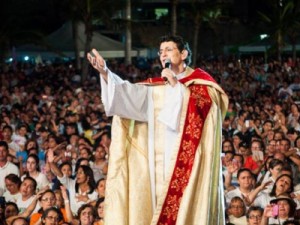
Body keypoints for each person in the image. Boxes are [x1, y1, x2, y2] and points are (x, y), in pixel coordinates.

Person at [87, 34, 228, 224]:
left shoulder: (202, 84)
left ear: (184, 53)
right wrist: (105, 73)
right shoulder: (156, 85)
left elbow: (206, 112)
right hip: (156, 165)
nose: (163, 55)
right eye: (161, 51)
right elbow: (128, 96)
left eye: (169, 50)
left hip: (188, 164)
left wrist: (175, 85)